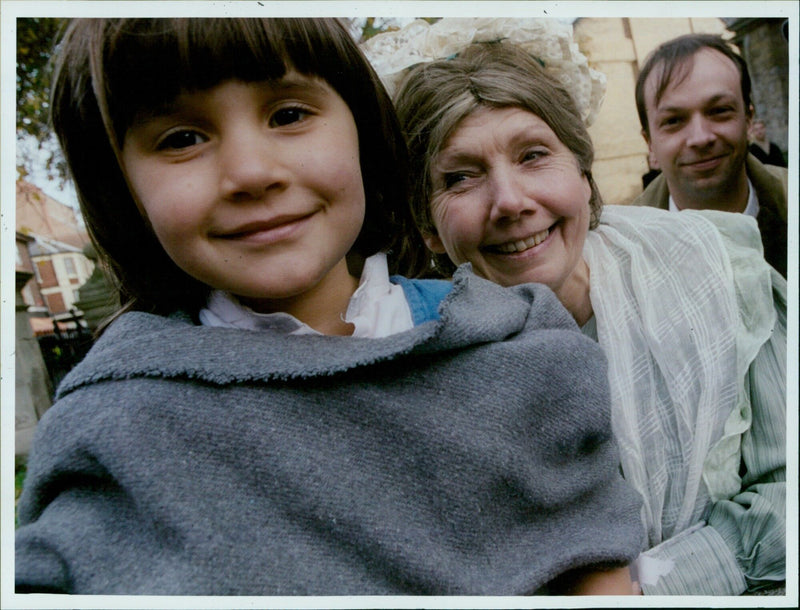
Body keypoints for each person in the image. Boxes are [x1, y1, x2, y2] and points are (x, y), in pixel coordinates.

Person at [14, 18, 644, 595]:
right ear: (121, 190)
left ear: (365, 137)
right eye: (182, 137)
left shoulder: (518, 340)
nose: (252, 172)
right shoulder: (115, 428)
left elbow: (596, 561)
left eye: (288, 114)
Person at [392, 38, 786, 596]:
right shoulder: (423, 374)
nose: (509, 200)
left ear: (583, 173)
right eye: (460, 177)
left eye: (532, 155)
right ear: (428, 225)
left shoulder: (716, 269)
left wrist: (643, 586)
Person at [630, 33, 787, 278]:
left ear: (748, 120)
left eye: (719, 111)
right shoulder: (624, 252)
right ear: (649, 142)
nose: (700, 138)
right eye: (673, 121)